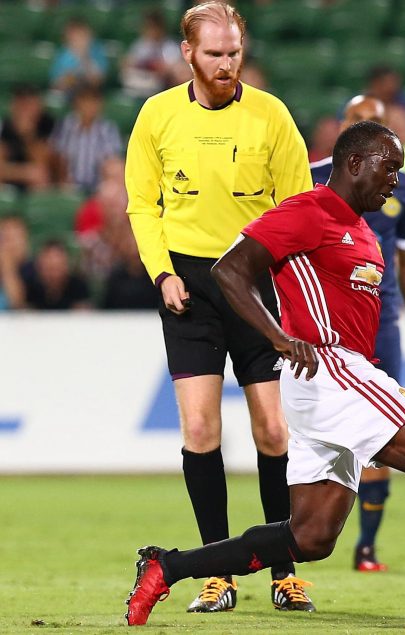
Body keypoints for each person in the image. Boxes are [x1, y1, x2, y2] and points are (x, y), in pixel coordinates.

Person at [124, 121, 405, 628]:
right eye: (388, 168)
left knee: (311, 537)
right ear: (353, 163)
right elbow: (230, 268)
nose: (395, 181)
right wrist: (277, 335)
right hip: (326, 367)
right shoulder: (308, 210)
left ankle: (167, 567)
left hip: (335, 377)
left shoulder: (364, 231)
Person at [124, 1, 315, 615]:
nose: (227, 63)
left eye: (234, 51)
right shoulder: (156, 116)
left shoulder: (272, 116)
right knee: (201, 430)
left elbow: (298, 208)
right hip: (189, 288)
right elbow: (141, 206)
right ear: (187, 54)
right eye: (214, 53)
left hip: (255, 283)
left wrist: (282, 285)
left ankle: (284, 570)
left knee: (272, 429)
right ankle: (217, 571)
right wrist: (161, 274)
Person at [309, 95, 405, 572]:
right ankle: (307, 533)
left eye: (381, 125)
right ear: (346, 134)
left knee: (381, 428)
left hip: (381, 317)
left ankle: (366, 545)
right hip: (326, 318)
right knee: (319, 433)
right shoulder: (311, 175)